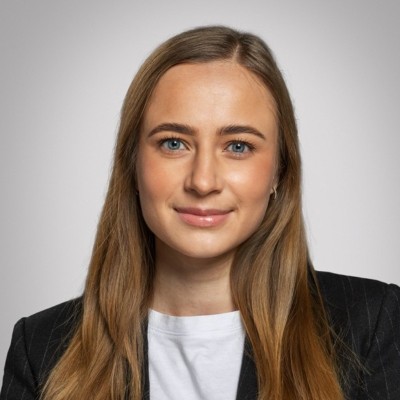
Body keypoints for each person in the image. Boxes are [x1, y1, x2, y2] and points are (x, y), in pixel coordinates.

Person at [1, 25, 399, 400]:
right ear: (132, 165)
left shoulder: (370, 323)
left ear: (279, 171)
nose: (203, 181)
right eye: (174, 143)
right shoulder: (40, 348)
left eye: (238, 146)